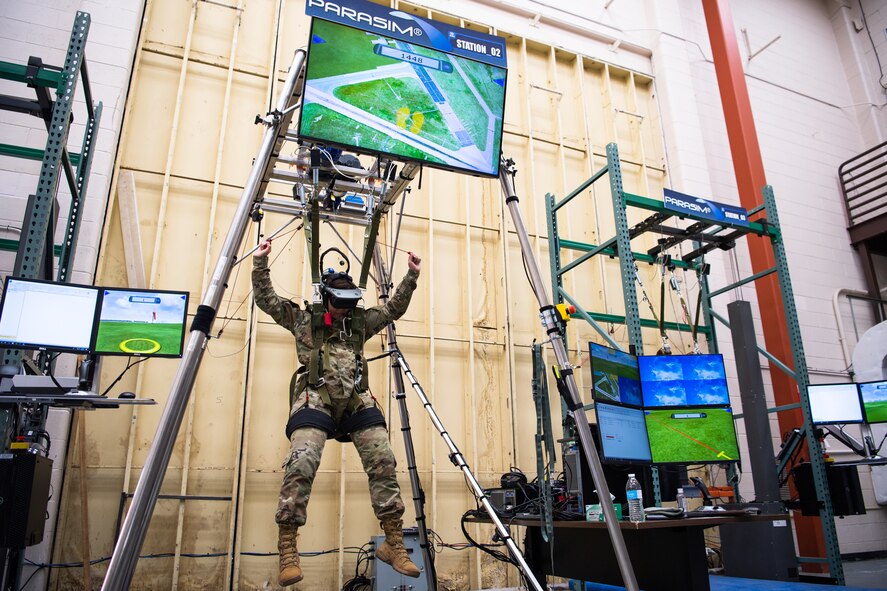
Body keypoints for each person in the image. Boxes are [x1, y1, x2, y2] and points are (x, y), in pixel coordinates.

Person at [252, 239, 422, 586]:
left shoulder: (358, 323)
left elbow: (392, 311)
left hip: (356, 398)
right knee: (302, 460)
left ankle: (393, 541)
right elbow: (266, 301)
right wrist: (260, 263)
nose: (343, 310)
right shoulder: (304, 321)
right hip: (317, 397)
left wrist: (411, 276)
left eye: (349, 304)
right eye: (338, 304)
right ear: (325, 298)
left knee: (383, 458)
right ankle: (288, 547)